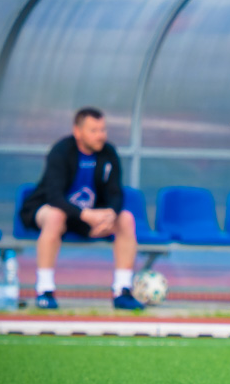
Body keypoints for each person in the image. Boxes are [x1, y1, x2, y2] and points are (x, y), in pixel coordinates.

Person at [19, 107, 144, 311]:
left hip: (87, 220)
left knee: (126, 219)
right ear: (78, 132)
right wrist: (86, 214)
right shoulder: (61, 151)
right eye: (94, 130)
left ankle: (122, 290)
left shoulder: (109, 153)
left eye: (103, 130)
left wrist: (110, 213)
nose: (100, 135)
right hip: (49, 211)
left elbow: (116, 193)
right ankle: (45, 290)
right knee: (55, 216)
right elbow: (54, 197)